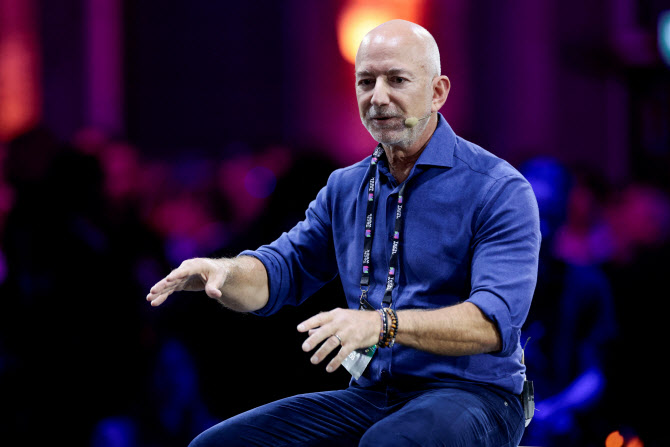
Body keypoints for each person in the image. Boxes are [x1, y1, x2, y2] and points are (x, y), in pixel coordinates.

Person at [147, 19, 541, 446]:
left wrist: (383, 325)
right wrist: (224, 272)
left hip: (479, 395)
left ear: (437, 92)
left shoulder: (497, 188)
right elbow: (279, 273)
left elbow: (492, 324)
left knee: (389, 444)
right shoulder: (346, 187)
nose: (378, 97)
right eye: (366, 82)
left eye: (397, 80)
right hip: (375, 393)